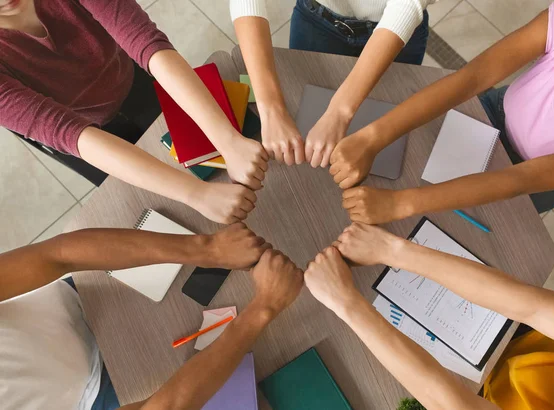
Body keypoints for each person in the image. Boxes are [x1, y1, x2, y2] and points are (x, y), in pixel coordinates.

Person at [330, 0, 554, 223]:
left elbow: (520, 179)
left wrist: (398, 203)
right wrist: (370, 138)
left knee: (461, 226)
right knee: (411, 168)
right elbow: (471, 78)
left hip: (535, 184)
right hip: (493, 114)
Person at [0, 0, 268, 224]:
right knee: (153, 201)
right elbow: (66, 132)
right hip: (83, 135)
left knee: (194, 147)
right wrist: (196, 194)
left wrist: (229, 141)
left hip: (130, 78)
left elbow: (145, 40)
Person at [0, 223, 304, 410]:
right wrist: (264, 308)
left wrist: (208, 248)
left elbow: (56, 255)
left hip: (85, 300)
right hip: (98, 401)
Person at [304, 222, 554, 409]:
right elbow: (535, 306)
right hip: (522, 344)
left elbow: (454, 405)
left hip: (483, 393)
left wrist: (346, 302)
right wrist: (393, 250)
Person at [230, 0, 434, 168]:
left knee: (395, 123)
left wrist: (339, 112)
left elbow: (407, 5)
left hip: (400, 25)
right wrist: (271, 109)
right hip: (317, 19)